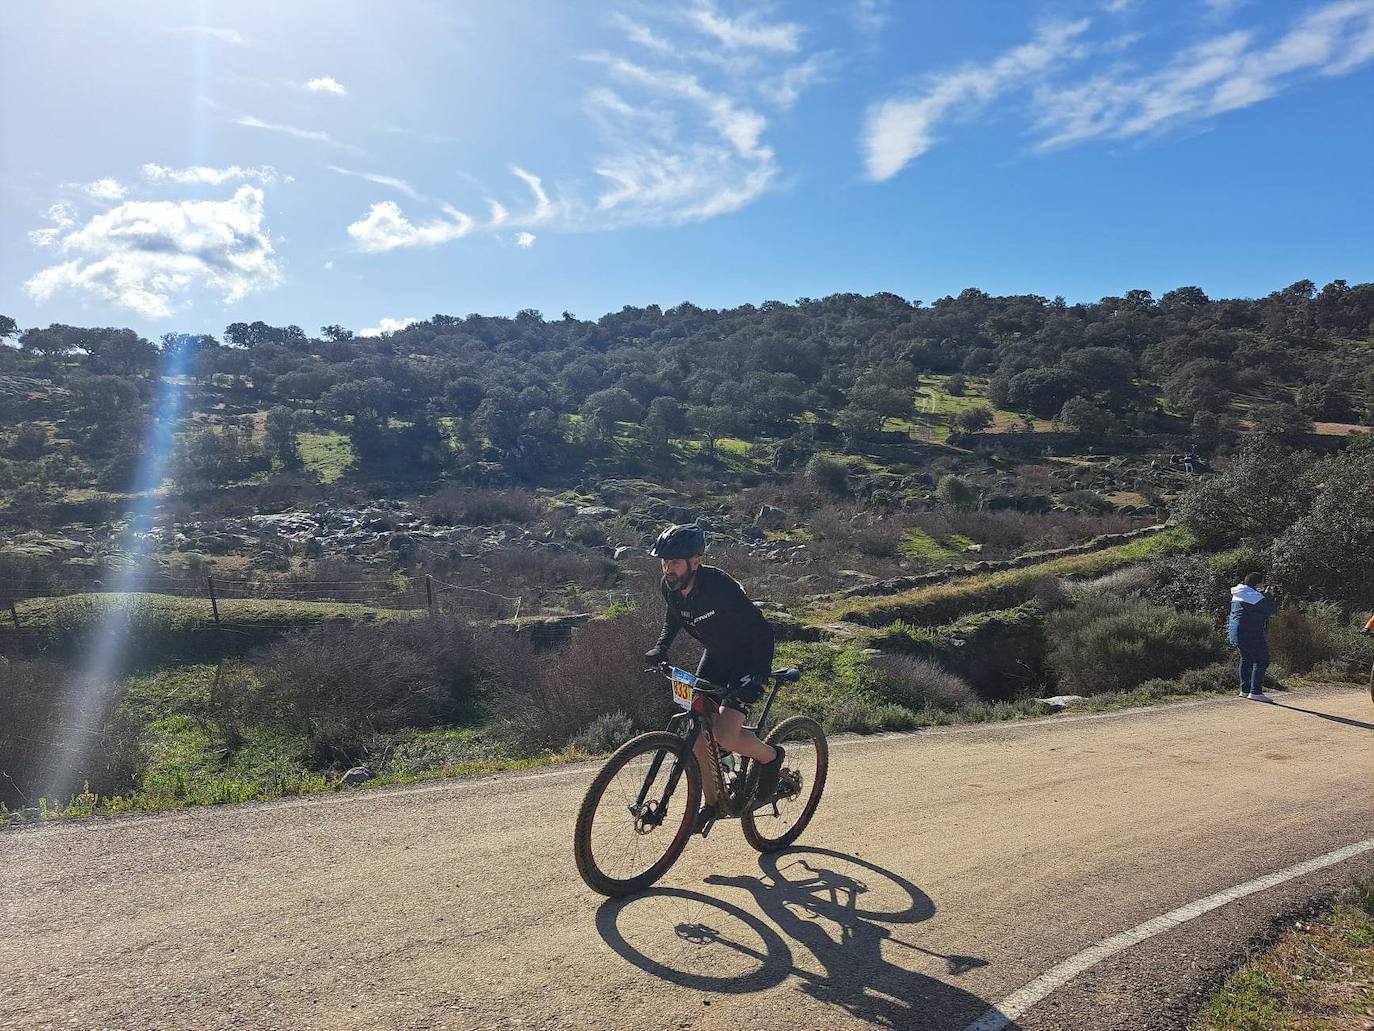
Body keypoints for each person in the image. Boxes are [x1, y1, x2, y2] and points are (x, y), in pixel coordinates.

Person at [642, 523, 784, 831]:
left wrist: (758, 674)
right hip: (717, 656)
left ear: (696, 562)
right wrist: (660, 647)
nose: (668, 568)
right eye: (664, 561)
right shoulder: (670, 587)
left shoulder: (720, 587)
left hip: (749, 658)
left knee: (725, 734)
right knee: (697, 731)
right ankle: (714, 803)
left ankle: (770, 758)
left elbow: (761, 629)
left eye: (675, 562)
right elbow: (673, 619)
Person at [1228, 572, 1278, 701]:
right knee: (1262, 660)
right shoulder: (1253, 596)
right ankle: (1256, 692)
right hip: (1250, 632)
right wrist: (1270, 596)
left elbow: (1255, 605)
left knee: (1246, 659)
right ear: (1257, 583)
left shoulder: (1240, 593)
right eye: (1262, 583)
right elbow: (1270, 609)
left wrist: (1264, 595)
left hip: (1236, 632)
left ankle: (1244, 690)